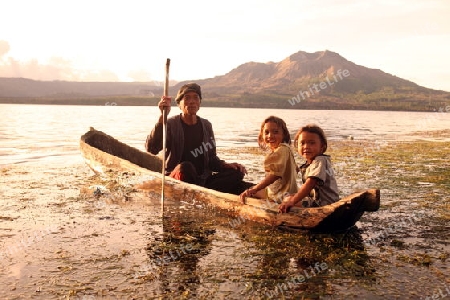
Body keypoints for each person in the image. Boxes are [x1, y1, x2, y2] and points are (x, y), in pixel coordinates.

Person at [145, 82, 249, 195]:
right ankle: (207, 191)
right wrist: (162, 118)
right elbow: (151, 149)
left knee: (237, 172)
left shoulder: (206, 126)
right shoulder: (170, 124)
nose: (192, 101)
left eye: (196, 98)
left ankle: (206, 191)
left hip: (202, 181)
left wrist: (225, 165)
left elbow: (211, 159)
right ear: (179, 104)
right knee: (186, 167)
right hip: (177, 177)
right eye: (187, 98)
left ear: (199, 103)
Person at [279, 124, 339, 213]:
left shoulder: (320, 160)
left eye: (312, 143)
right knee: (288, 196)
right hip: (319, 200)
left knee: (287, 200)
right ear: (297, 146)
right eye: (302, 143)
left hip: (323, 203)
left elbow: (310, 183)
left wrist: (292, 201)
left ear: (322, 146)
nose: (306, 146)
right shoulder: (310, 163)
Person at [239, 116, 298, 204]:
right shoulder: (286, 149)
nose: (270, 136)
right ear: (262, 136)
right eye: (266, 132)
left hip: (280, 196)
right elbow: (296, 169)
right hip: (279, 192)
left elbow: (274, 175)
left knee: (248, 192)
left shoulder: (281, 149)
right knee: (251, 189)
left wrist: (256, 189)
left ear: (284, 134)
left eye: (276, 132)